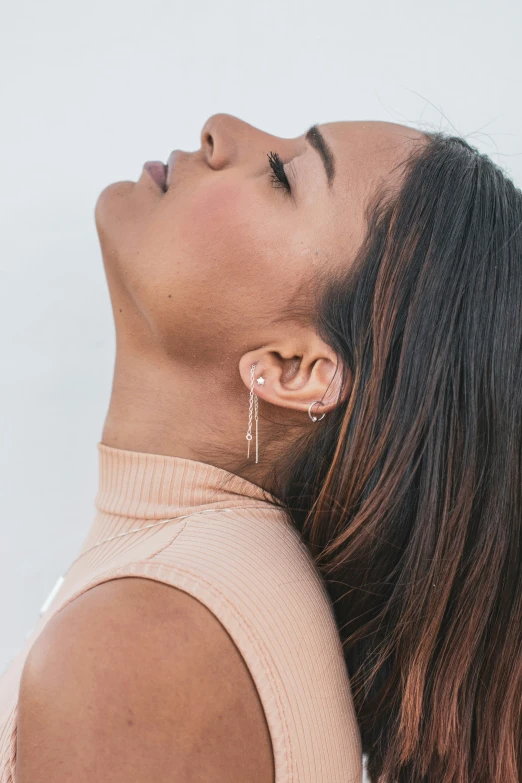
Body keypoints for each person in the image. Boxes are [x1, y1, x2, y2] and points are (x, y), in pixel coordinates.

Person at [0, 112, 520, 782]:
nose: (221, 129)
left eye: (281, 176)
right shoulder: (198, 592)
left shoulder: (144, 640)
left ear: (292, 367)